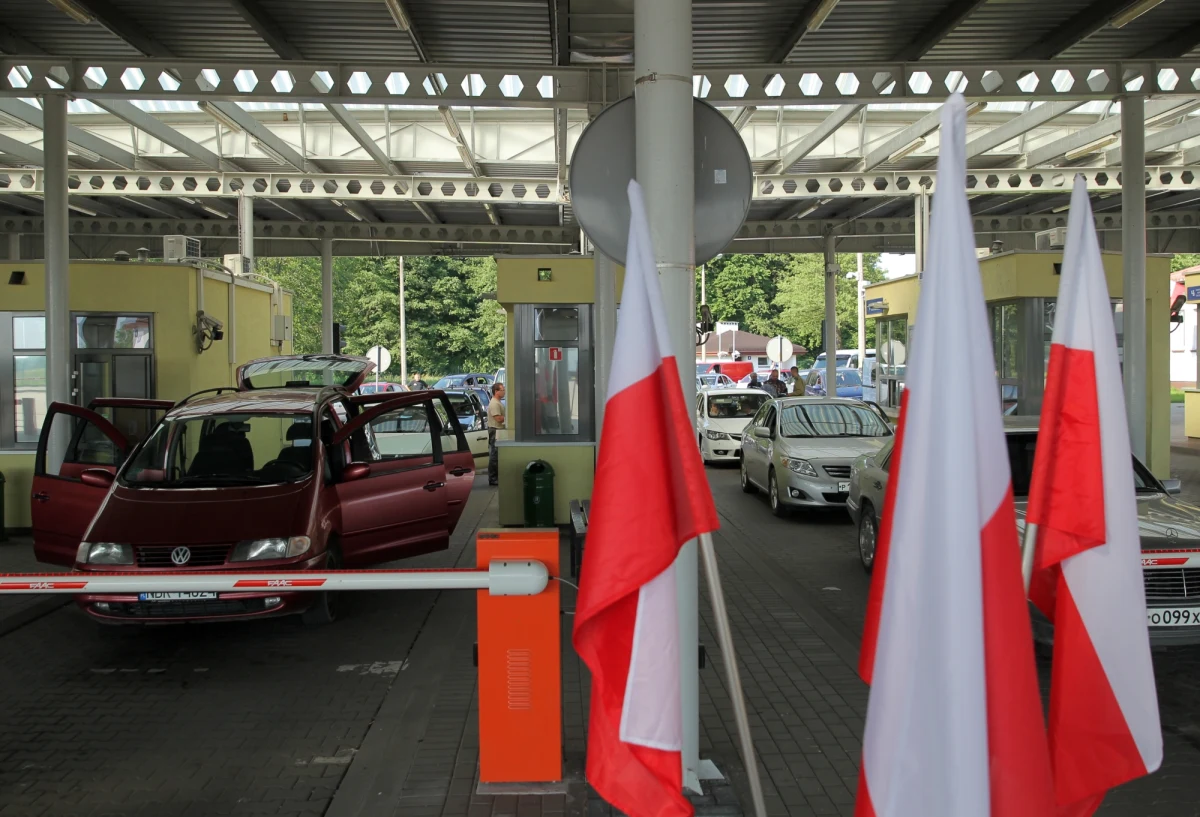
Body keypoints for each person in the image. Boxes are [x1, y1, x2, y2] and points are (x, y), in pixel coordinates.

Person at [487, 382, 506, 486]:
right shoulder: (494, 403)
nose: (504, 392)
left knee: (497, 455)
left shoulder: (498, 402)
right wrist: (509, 418)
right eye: (502, 390)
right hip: (495, 430)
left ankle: (496, 477)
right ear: (496, 391)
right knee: (494, 455)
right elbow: (498, 418)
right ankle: (493, 478)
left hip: (498, 430)